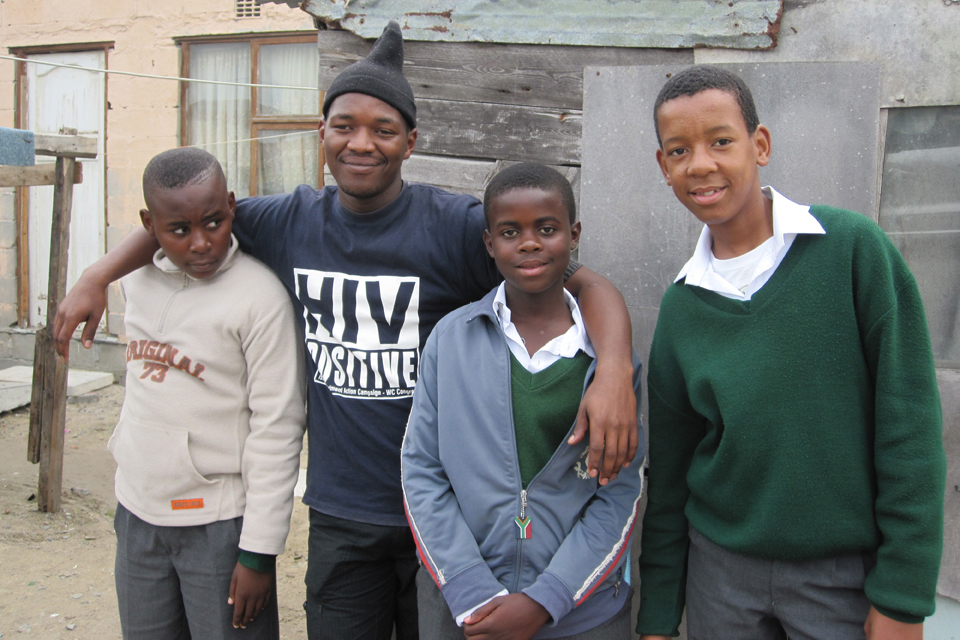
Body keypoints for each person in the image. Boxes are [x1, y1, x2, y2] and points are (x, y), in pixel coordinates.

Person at [53, 21, 639, 640]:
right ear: (322, 133)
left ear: (410, 142)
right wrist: (98, 273)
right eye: (345, 127)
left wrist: (616, 372)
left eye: (383, 130)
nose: (362, 144)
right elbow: (187, 218)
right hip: (341, 510)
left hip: (448, 514)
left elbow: (584, 283)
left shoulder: (455, 227)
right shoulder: (288, 222)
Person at [635, 65, 946, 640]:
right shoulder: (682, 305)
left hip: (839, 581)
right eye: (679, 150)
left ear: (761, 145)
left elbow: (909, 430)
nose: (700, 164)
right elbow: (672, 474)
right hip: (719, 580)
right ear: (664, 167)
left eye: (721, 141)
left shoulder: (853, 252)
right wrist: (657, 614)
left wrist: (903, 595)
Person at [402, 163, 643, 640]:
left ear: (573, 235)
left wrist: (545, 599)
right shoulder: (451, 340)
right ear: (489, 243)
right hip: (464, 610)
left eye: (547, 229)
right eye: (510, 232)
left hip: (581, 614)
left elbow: (620, 494)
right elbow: (420, 470)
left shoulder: (610, 364)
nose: (530, 243)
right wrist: (472, 590)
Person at [110, 147, 305, 639]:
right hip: (137, 514)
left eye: (214, 222)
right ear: (148, 225)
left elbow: (277, 426)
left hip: (218, 524)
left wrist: (258, 551)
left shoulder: (260, 298)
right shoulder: (132, 280)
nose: (201, 243)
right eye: (179, 230)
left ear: (233, 207)